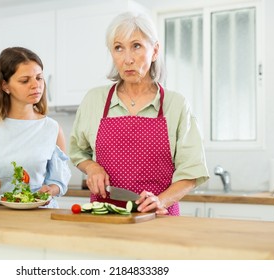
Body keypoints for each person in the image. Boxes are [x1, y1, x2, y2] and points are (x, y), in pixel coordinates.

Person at [69, 12, 209, 216]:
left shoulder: (176, 105)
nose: (127, 59)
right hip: (105, 219)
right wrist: (91, 167)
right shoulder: (94, 100)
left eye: (136, 46)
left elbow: (192, 170)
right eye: (118, 48)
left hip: (158, 220)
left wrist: (161, 201)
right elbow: (77, 151)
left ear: (155, 51)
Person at [0, 47, 71, 207]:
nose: (35, 85)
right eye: (25, 80)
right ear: (5, 86)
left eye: (39, 78)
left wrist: (51, 190)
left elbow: (58, 181)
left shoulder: (52, 128)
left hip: (36, 217)